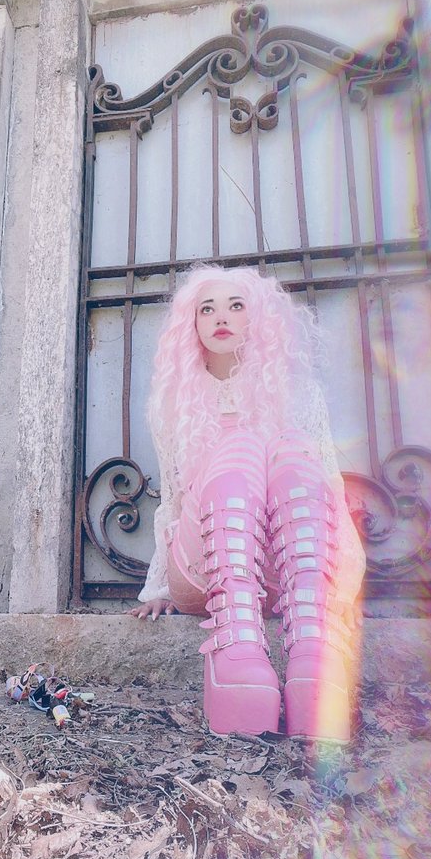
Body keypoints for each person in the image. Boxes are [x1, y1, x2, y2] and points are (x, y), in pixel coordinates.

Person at [129, 265, 365, 742]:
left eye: (236, 306)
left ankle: (313, 649)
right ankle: (236, 652)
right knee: (239, 451)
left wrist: (343, 588)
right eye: (207, 309)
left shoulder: (298, 394)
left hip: (284, 572)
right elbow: (173, 499)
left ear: (257, 317)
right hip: (206, 573)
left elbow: (329, 490)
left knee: (294, 456)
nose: (222, 317)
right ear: (192, 324)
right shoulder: (174, 403)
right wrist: (158, 586)